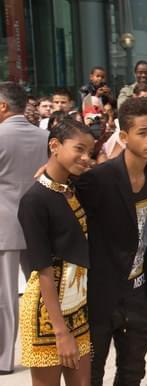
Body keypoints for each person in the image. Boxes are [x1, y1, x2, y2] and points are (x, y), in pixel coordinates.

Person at [76, 97, 147, 386]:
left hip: (139, 292)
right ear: (124, 136)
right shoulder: (99, 179)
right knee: (92, 374)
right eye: (143, 133)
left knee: (133, 372)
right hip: (101, 294)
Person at [17, 118, 94, 386]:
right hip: (46, 315)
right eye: (79, 149)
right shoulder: (34, 200)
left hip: (79, 308)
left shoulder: (75, 188)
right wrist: (61, 332)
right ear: (55, 145)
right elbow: (42, 268)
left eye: (90, 152)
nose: (86, 158)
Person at [0, 82, 49, 376]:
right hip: (38, 221)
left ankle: (3, 358)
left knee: (5, 297)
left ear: (4, 106)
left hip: (4, 223)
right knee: (43, 291)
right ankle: (45, 348)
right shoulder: (44, 135)